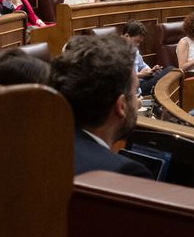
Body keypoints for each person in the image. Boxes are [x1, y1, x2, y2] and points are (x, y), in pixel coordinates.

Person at [49, 35, 151, 178]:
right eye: (135, 93)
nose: (137, 101)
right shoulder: (125, 172)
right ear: (121, 106)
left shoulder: (37, 151)